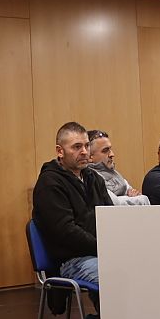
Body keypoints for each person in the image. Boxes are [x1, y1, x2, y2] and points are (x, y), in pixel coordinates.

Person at [32, 122, 112, 285]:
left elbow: (111, 218)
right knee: (119, 276)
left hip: (100, 253)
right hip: (70, 261)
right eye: (77, 147)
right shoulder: (49, 183)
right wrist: (103, 247)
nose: (84, 152)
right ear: (60, 151)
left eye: (86, 146)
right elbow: (66, 232)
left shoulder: (95, 179)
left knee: (141, 266)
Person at [87, 129, 149, 206]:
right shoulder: (90, 178)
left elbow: (136, 194)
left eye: (110, 149)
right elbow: (112, 203)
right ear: (89, 156)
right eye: (105, 151)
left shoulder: (115, 174)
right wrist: (131, 198)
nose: (112, 154)